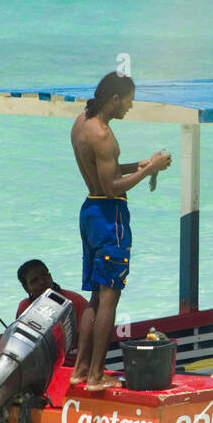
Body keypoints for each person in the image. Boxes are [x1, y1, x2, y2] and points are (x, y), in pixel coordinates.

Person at [70, 72, 171, 390]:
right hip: (109, 215)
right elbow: (112, 187)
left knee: (95, 297)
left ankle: (81, 370)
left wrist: (137, 165)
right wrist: (152, 169)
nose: (130, 106)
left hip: (90, 210)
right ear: (115, 99)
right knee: (110, 295)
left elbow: (106, 171)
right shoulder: (103, 134)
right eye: (128, 100)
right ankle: (97, 376)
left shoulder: (81, 122)